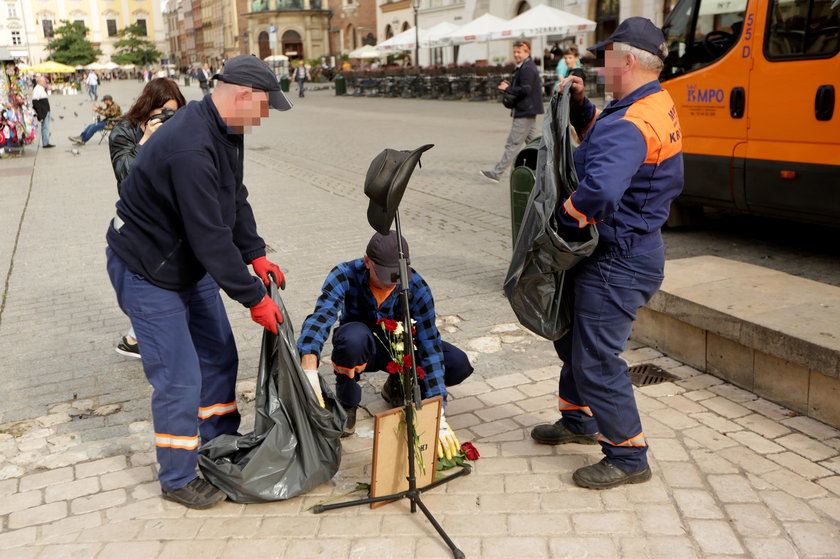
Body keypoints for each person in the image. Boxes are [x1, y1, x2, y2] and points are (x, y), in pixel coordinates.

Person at [105, 54, 293, 509]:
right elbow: (209, 235)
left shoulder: (227, 129)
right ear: (243, 96)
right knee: (180, 378)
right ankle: (177, 477)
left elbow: (234, 198)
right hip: (148, 269)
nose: (265, 117)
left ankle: (218, 442)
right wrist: (252, 298)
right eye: (265, 106)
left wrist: (256, 253)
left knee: (218, 355)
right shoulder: (189, 145)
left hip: (187, 262)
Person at [529, 18, 684, 489]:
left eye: (607, 59)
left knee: (596, 359)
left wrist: (562, 221)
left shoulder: (634, 120)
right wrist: (581, 112)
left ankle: (628, 456)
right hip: (626, 251)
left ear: (628, 60)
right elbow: (610, 140)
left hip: (618, 258)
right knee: (572, 338)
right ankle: (578, 420)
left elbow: (600, 189)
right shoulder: (649, 104)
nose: (601, 68)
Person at [296, 231, 473, 456]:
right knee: (352, 339)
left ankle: (398, 385)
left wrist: (438, 412)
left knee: (457, 363)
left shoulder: (416, 286)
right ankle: (348, 401)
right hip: (362, 347)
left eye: (397, 276)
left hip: (402, 349)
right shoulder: (345, 275)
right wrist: (309, 366)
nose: (392, 284)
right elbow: (321, 316)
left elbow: (430, 344)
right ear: (367, 262)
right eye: (384, 276)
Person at [108, 78, 188, 359]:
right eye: (163, 112)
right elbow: (125, 175)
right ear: (148, 108)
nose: (168, 118)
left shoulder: (180, 129)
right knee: (155, 285)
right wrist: (146, 142)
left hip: (174, 219)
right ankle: (140, 339)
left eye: (174, 112)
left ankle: (137, 337)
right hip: (140, 222)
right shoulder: (123, 131)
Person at [480, 40, 543, 183]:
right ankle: (550, 167)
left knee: (513, 144)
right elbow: (523, 86)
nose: (516, 55)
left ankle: (496, 173)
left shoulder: (527, 68)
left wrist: (507, 89)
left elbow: (526, 89)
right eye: (514, 52)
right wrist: (510, 84)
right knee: (535, 144)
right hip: (528, 109)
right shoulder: (525, 66)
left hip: (525, 110)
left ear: (527, 52)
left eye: (519, 52)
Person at [31, 75, 55, 149]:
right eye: (44, 81)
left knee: (46, 127)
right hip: (43, 111)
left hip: (46, 110)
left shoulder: (41, 88)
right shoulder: (37, 89)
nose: (45, 82)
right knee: (45, 127)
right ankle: (45, 143)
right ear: (40, 82)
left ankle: (46, 141)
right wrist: (40, 114)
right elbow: (35, 102)